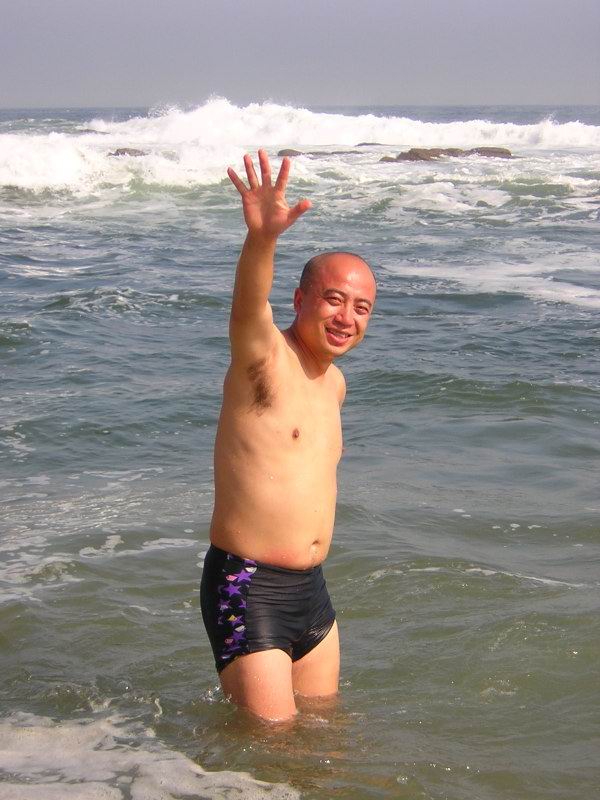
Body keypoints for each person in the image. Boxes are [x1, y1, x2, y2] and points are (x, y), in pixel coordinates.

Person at [200, 149, 376, 721]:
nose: (347, 317)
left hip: (313, 593)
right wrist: (262, 239)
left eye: (362, 308)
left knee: (324, 741)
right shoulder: (263, 359)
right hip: (248, 586)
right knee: (271, 749)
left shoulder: (335, 384)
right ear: (300, 301)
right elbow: (248, 306)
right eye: (334, 299)